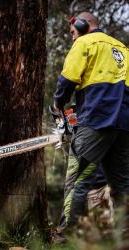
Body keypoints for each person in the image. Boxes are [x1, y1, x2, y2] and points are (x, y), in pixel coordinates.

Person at [53, 11, 129, 242]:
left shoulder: (86, 42)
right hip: (124, 124)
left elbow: (68, 79)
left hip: (97, 121)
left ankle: (67, 236)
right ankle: (124, 236)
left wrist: (58, 104)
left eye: (72, 32)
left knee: (77, 180)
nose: (73, 37)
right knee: (122, 183)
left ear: (83, 25)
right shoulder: (123, 49)